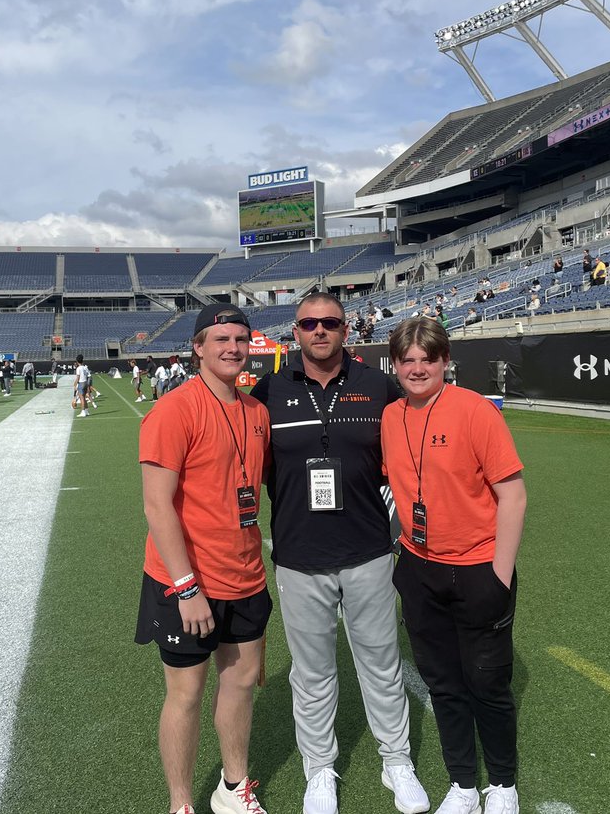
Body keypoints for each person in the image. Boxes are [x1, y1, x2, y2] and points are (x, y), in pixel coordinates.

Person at [250, 293, 428, 814]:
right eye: (309, 323)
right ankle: (320, 770)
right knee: (312, 673)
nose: (320, 331)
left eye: (330, 322)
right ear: (296, 331)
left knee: (381, 663)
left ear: (347, 329)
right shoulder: (269, 391)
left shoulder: (378, 386)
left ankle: (396, 762)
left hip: (369, 550)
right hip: (300, 556)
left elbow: (410, 453)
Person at [381, 318, 527, 814]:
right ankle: (463, 784)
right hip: (419, 569)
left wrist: (499, 576)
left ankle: (503, 785)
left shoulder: (476, 411)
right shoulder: (390, 417)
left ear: (445, 362)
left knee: (486, 681)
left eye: (428, 358)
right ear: (395, 365)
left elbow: (513, 496)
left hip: (478, 568)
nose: (417, 368)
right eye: (408, 359)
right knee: (443, 684)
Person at [135, 303, 272, 814]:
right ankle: (181, 803)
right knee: (186, 694)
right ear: (198, 347)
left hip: (246, 575)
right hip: (186, 583)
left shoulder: (256, 411)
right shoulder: (174, 408)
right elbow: (156, 505)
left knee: (238, 684)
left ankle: (234, 789)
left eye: (241, 338)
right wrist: (188, 587)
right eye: (221, 339)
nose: (233, 347)